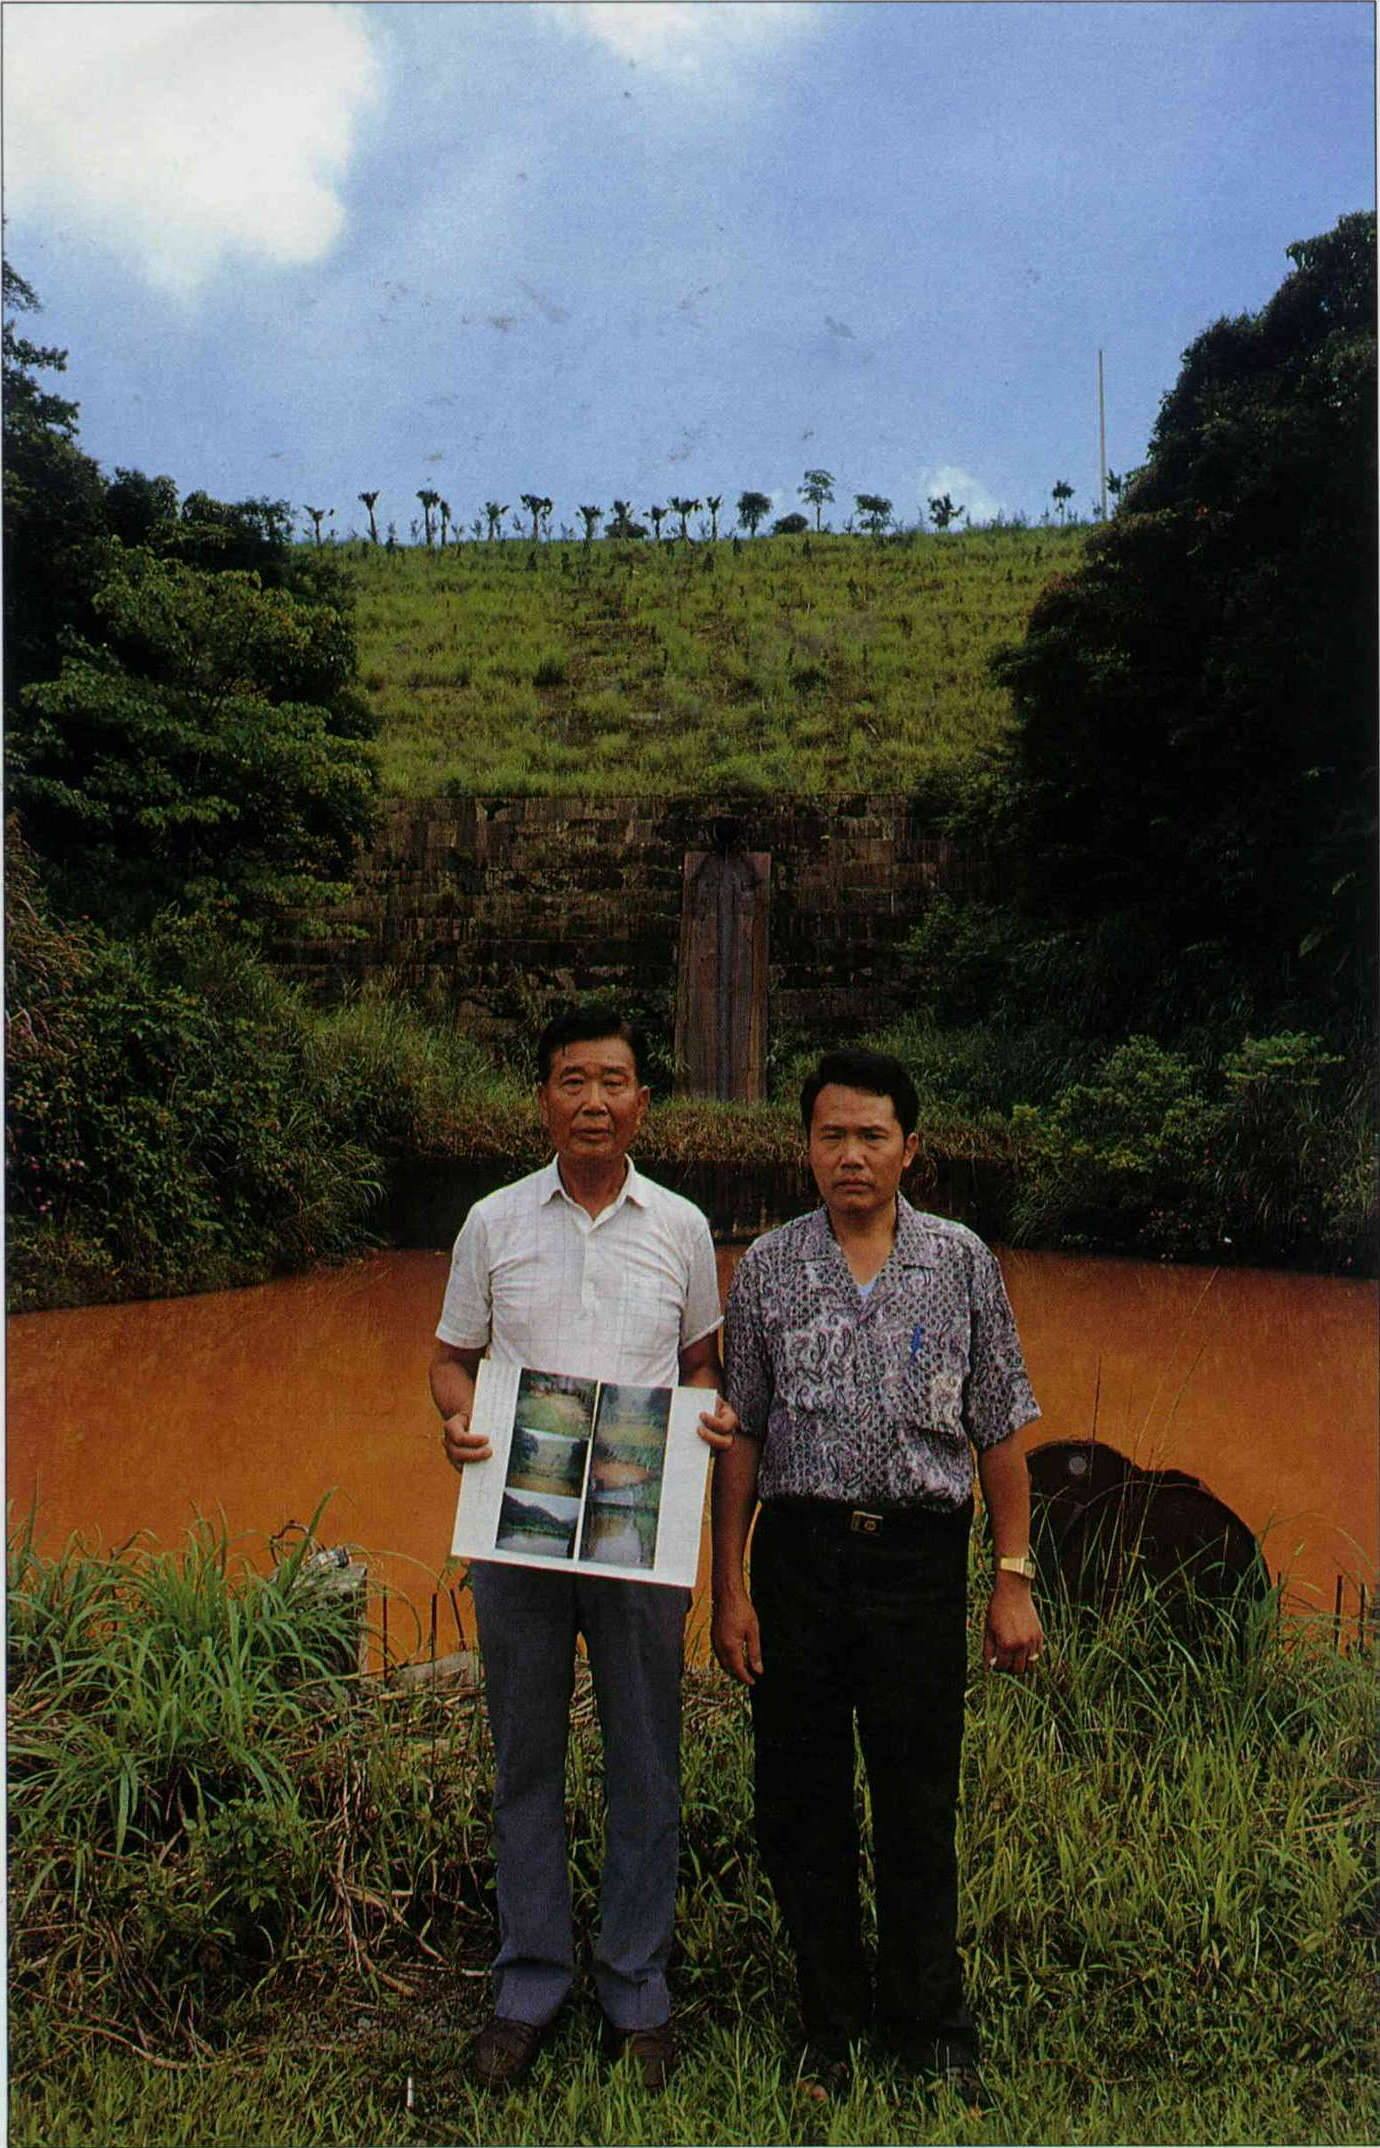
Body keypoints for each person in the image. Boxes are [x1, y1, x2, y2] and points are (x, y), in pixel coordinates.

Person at [711, 1047, 1042, 2105]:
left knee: (916, 1796)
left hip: (917, 1561)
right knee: (800, 1800)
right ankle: (830, 2021)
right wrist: (730, 1588)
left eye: (871, 1136)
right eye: (832, 1136)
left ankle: (931, 2026)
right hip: (799, 1559)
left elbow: (999, 1427)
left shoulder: (961, 1262)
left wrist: (1012, 1576)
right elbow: (742, 1436)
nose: (851, 1156)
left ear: (910, 1148)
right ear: (805, 1148)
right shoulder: (766, 1268)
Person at [431, 1007, 735, 2093]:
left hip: (637, 1528)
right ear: (543, 1099)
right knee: (526, 1758)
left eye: (613, 1082)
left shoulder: (684, 1228)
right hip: (517, 1527)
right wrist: (457, 1419)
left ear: (642, 1102)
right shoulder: (492, 1222)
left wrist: (705, 1414)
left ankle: (635, 1989)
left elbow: (701, 1361)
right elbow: (451, 1357)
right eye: (573, 1081)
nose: (593, 1102)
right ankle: (529, 1983)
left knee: (645, 1758)